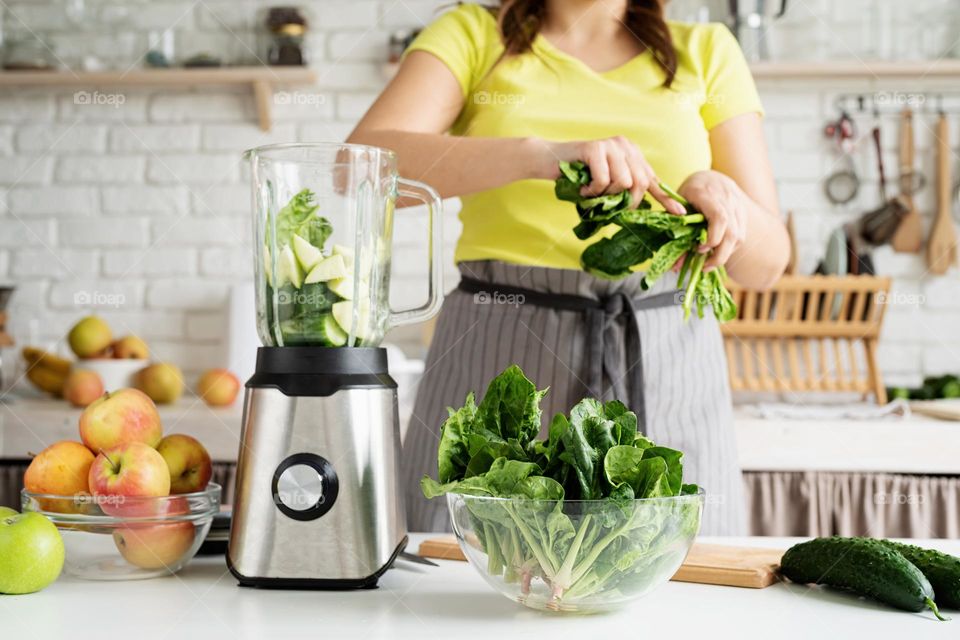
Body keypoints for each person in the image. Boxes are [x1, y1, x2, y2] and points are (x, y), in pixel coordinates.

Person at [347, 0, 789, 535]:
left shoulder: (707, 50)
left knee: (684, 582)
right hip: (501, 351)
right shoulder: (470, 35)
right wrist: (538, 156)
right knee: (466, 574)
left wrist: (726, 202)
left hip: (667, 360)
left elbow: (767, 264)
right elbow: (359, 167)